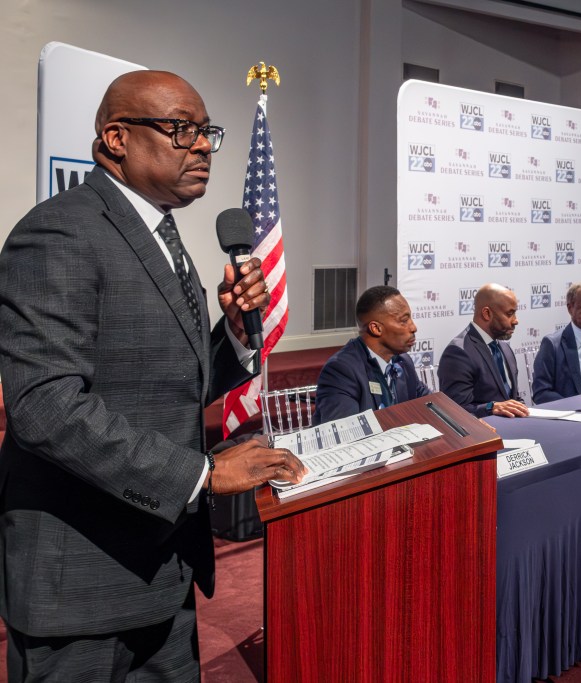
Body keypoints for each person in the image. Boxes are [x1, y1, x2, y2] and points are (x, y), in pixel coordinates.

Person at [0, 70, 306, 681]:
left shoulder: (162, 234)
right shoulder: (59, 231)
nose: (202, 146)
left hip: (163, 569)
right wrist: (202, 474)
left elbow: (171, 381)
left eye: (207, 132)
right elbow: (45, 407)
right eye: (181, 129)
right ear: (117, 138)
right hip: (82, 584)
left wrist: (234, 336)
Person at [313, 285, 431, 423]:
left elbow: (431, 405)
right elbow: (345, 431)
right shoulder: (341, 371)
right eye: (404, 321)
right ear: (376, 328)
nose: (413, 327)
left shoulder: (403, 362)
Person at [438, 284, 530, 418]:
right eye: (509, 314)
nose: (516, 321)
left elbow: (512, 398)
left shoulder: (505, 348)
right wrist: (490, 408)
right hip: (484, 430)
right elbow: (454, 411)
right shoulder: (458, 352)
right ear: (487, 313)